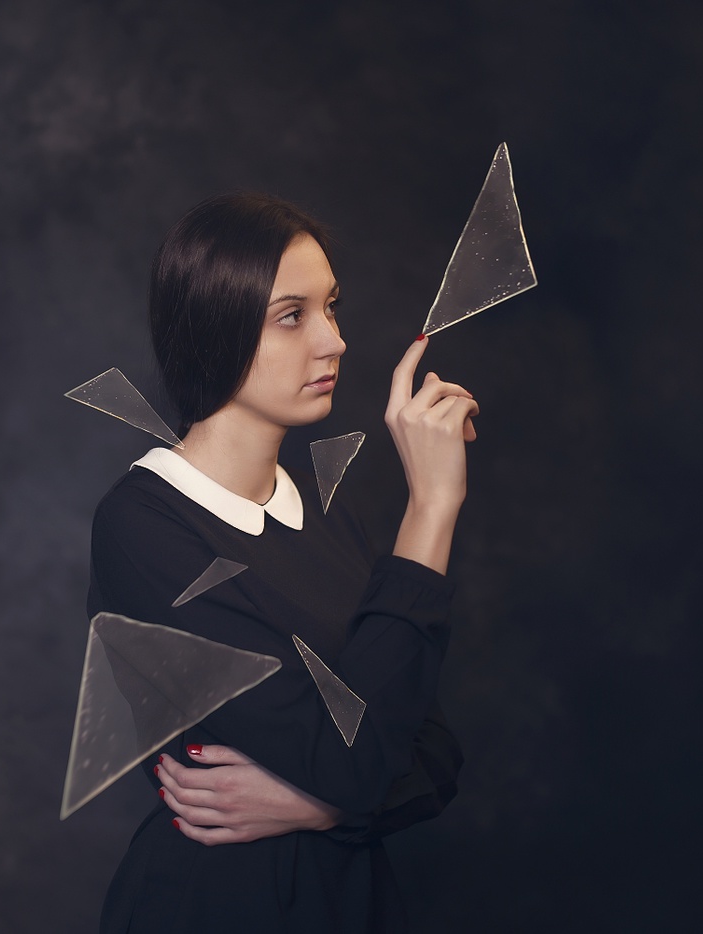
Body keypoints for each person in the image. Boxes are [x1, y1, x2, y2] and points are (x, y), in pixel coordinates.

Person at [87, 192, 478, 933]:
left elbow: (435, 755)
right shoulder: (143, 528)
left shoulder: (326, 513)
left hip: (352, 905)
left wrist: (314, 806)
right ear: (214, 328)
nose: (334, 341)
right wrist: (430, 507)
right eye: (292, 316)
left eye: (331, 308)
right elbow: (362, 759)